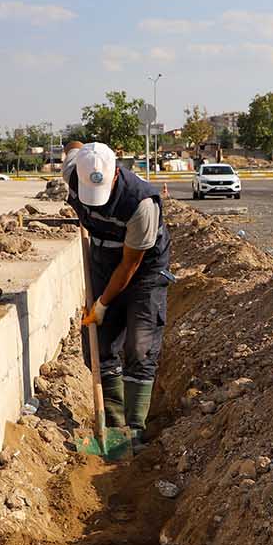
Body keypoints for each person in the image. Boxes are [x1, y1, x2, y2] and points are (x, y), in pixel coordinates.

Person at [68, 142, 170, 446]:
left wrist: (102, 303)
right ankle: (114, 427)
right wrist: (80, 147)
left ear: (114, 176)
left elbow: (130, 265)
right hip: (102, 261)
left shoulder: (141, 203)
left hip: (143, 271)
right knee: (99, 344)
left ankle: (135, 430)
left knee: (140, 346)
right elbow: (73, 147)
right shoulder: (74, 170)